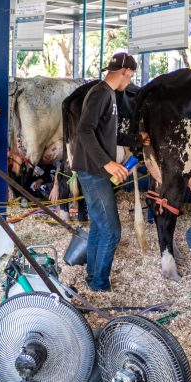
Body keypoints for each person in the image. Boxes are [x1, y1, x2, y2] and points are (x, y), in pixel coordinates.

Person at [70, 51, 137, 292]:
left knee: (99, 226)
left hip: (94, 169)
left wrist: (136, 138)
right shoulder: (101, 94)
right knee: (112, 231)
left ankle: (93, 278)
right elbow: (84, 130)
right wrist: (107, 163)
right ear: (125, 72)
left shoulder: (106, 93)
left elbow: (104, 133)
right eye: (130, 77)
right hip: (94, 171)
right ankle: (100, 286)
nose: (129, 81)